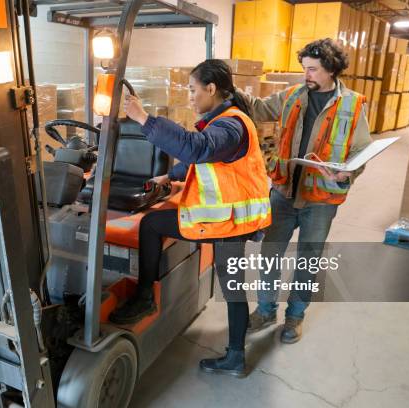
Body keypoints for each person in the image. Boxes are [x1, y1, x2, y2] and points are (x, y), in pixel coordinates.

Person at [109, 59, 272, 377]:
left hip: (229, 223)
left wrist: (144, 118)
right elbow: (204, 161)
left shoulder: (231, 125)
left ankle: (147, 299)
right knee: (154, 223)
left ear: (211, 89)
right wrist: (169, 176)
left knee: (230, 285)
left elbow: (198, 150)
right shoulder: (222, 122)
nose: (190, 97)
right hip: (225, 220)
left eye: (193, 90)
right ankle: (233, 353)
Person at [240, 38, 373, 343]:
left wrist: (347, 171)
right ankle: (265, 310)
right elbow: (259, 109)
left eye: (312, 69)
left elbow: (362, 149)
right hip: (284, 191)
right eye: (305, 69)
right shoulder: (293, 95)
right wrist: (228, 89)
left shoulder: (352, 104)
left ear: (331, 70)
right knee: (270, 256)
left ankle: (295, 317)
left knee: (308, 260)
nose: (306, 75)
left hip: (321, 199)